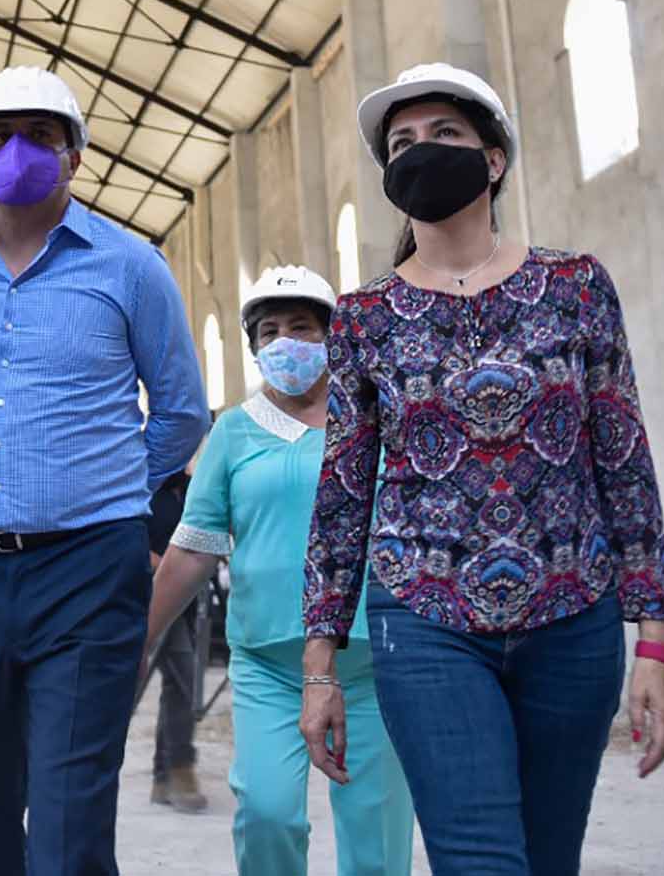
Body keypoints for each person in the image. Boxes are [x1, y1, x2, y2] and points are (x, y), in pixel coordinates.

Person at [301, 62, 664, 876]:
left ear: (495, 158)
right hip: (426, 618)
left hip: (571, 617)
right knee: (480, 861)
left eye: (445, 134)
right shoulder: (364, 318)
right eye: (402, 142)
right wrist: (319, 664)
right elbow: (341, 494)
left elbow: (624, 462)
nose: (422, 151)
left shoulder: (575, 288)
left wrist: (654, 638)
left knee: (548, 859)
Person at [0, 67, 210, 876]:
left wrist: (110, 497)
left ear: (75, 157)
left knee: (68, 822)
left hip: (86, 572)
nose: (18, 151)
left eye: (41, 135)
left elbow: (178, 410)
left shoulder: (130, 266)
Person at [145, 267, 412, 874]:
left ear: (332, 338)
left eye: (302, 327)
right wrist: (143, 634)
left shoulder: (371, 421)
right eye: (269, 331)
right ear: (255, 347)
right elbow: (193, 548)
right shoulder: (233, 433)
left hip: (371, 661)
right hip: (269, 662)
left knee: (376, 833)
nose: (285, 341)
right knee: (268, 813)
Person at [144, 469, 207, 814]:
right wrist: (170, 562)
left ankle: (169, 772)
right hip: (139, 596)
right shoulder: (141, 479)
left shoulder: (188, 488)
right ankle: (173, 769)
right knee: (177, 680)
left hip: (182, 601)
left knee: (180, 683)